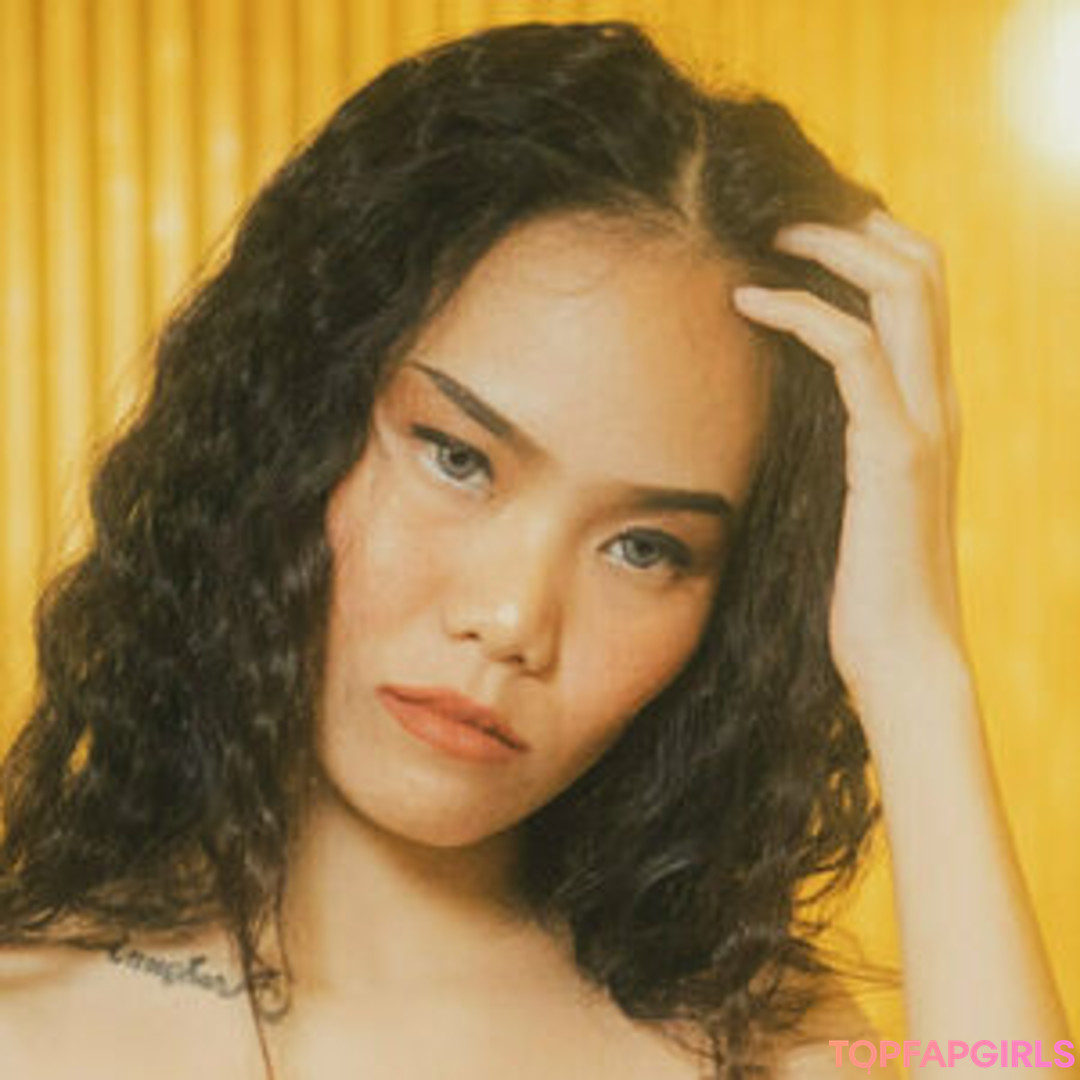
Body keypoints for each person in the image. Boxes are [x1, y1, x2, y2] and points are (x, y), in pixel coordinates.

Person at [0, 19, 1068, 1080]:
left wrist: (913, 666)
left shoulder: (764, 1041)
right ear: (290, 419)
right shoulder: (29, 1028)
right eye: (458, 458)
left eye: (645, 548)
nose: (513, 620)